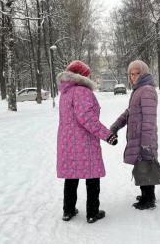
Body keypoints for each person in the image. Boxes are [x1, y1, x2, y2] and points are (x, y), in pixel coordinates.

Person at [56, 60, 117, 223]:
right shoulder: (82, 91)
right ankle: (92, 212)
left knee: (71, 176)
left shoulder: (65, 93)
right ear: (82, 76)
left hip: (67, 142)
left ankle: (68, 211)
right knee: (92, 176)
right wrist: (107, 135)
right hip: (84, 142)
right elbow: (87, 118)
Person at [110, 60, 159, 210]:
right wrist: (115, 126)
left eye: (137, 73)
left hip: (144, 137)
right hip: (137, 136)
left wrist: (146, 142)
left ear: (143, 73)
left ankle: (149, 199)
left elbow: (149, 119)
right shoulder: (138, 90)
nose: (134, 76)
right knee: (141, 166)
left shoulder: (147, 90)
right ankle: (146, 195)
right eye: (131, 74)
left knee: (145, 165)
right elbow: (129, 112)